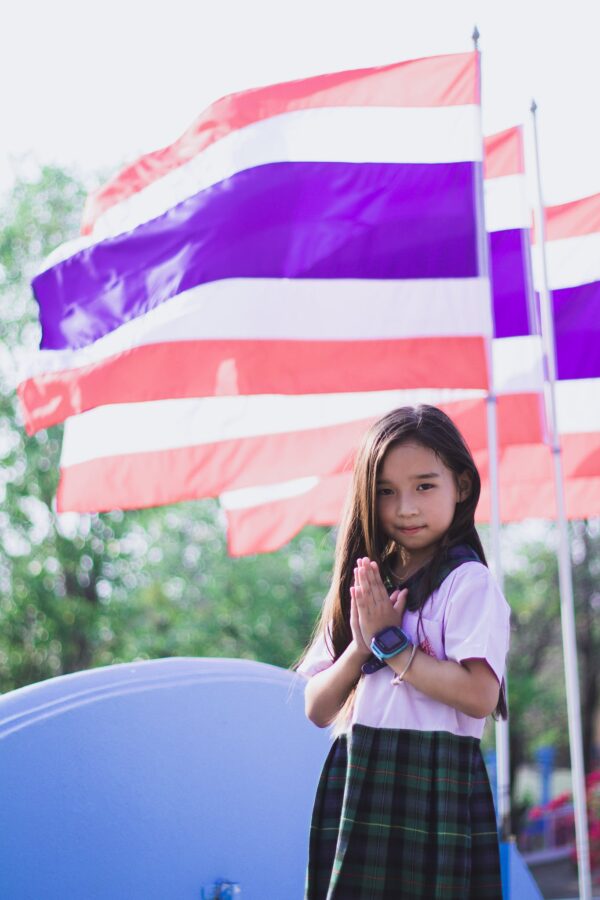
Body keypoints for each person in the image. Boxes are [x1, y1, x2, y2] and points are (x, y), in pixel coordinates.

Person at [298, 404, 510, 900]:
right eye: (386, 492)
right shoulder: (366, 584)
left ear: (460, 485)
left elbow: (480, 694)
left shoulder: (468, 583)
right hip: (358, 776)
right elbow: (317, 706)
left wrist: (392, 647)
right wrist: (363, 644)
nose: (405, 508)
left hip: (435, 783)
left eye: (424, 486)